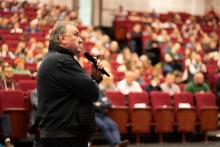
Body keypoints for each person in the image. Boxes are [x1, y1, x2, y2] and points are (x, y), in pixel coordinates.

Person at [37, 21, 104, 147]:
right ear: (62, 39)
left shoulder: (55, 59)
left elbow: (83, 89)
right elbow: (93, 92)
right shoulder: (62, 61)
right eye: (75, 35)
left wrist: (95, 78)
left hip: (61, 135)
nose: (80, 40)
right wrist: (94, 79)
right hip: (64, 138)